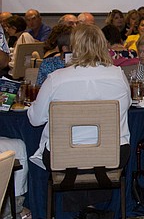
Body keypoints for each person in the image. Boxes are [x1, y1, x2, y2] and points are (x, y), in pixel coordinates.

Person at [27, 24, 132, 207]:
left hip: (64, 158)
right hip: (112, 156)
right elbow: (127, 106)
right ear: (102, 45)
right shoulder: (118, 76)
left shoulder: (56, 78)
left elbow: (35, 119)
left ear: (73, 47)